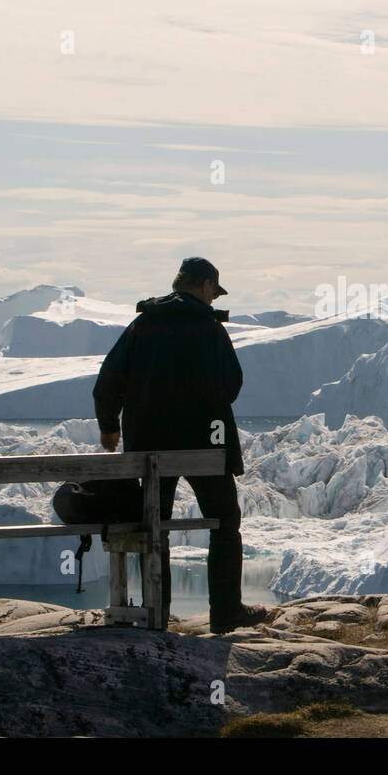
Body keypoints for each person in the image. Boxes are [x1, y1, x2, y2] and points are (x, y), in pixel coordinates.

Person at [93, 256, 268, 633]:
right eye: (213, 291)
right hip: (206, 444)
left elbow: (108, 380)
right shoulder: (209, 327)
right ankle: (225, 612)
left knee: (154, 524)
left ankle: (157, 612)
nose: (212, 298)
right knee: (224, 522)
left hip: (149, 448)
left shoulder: (143, 324)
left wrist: (110, 428)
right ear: (204, 285)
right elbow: (232, 384)